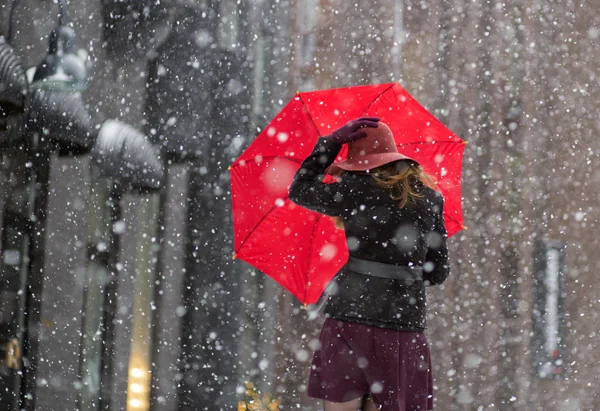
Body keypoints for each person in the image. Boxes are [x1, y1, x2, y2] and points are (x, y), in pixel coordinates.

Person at [288, 117, 449, 411]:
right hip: (403, 325)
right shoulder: (430, 199)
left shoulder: (354, 190)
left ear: (357, 162)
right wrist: (403, 275)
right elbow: (438, 271)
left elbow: (299, 189)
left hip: (349, 316)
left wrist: (331, 142)